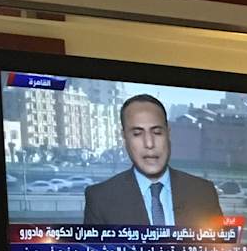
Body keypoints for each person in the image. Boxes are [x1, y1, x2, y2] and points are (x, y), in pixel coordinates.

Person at [82, 94, 223, 227]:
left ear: (168, 133)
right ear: (124, 137)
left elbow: (220, 244)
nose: (149, 143)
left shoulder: (204, 192)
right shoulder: (100, 199)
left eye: (157, 132)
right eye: (137, 134)